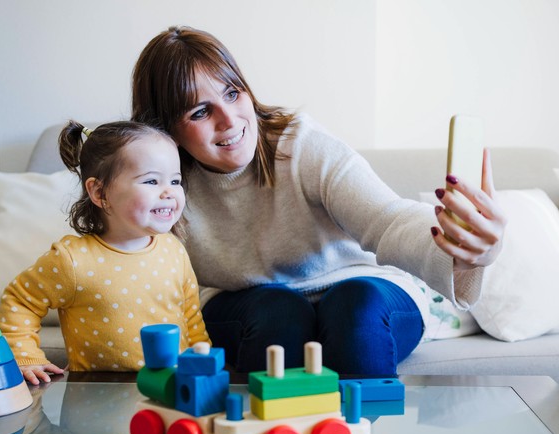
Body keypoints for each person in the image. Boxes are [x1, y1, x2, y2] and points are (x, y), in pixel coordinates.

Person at [131, 26, 506, 376]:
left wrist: (458, 247)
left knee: (355, 307)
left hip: (363, 292)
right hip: (253, 310)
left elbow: (387, 219)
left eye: (232, 93)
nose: (229, 119)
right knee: (277, 312)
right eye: (200, 111)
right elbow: (127, 273)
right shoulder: (161, 182)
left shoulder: (300, 144)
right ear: (168, 131)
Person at [0, 120, 210, 385]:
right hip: (94, 394)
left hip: (170, 390)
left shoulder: (174, 251)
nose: (169, 192)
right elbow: (21, 300)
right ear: (100, 193)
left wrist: (203, 361)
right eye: (152, 180)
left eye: (175, 180)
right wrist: (25, 355)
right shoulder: (72, 259)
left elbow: (191, 316)